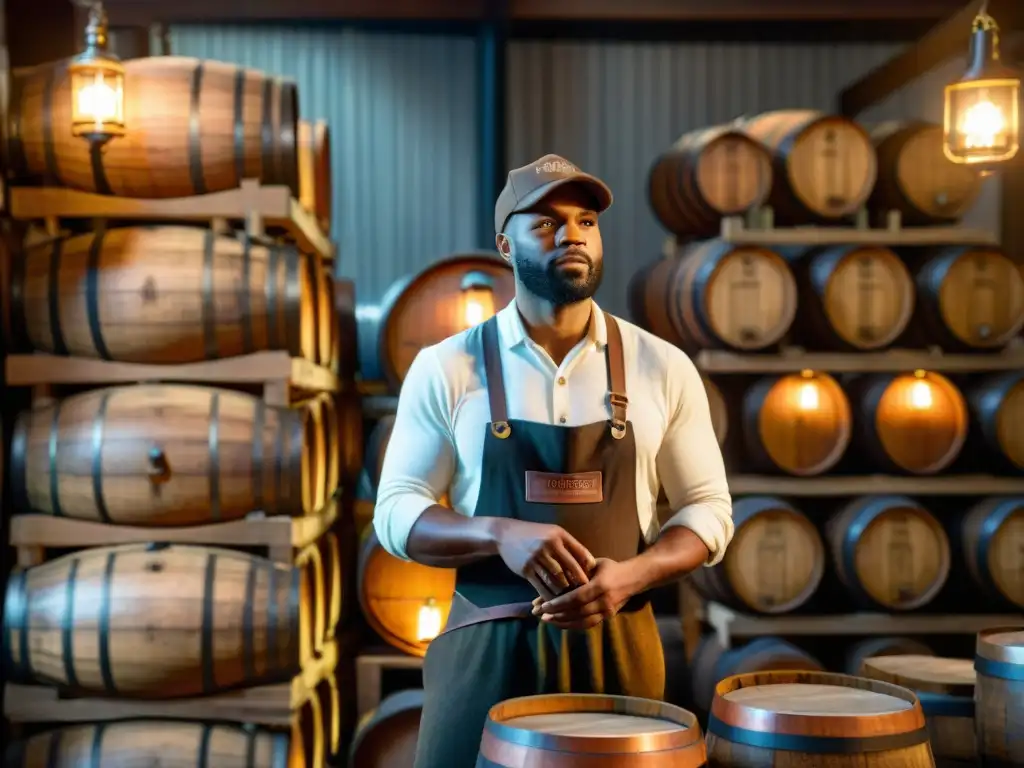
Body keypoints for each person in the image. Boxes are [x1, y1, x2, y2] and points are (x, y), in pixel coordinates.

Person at [373, 153, 733, 768]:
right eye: (544, 222)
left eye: (586, 221)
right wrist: (499, 533)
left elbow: (709, 511)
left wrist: (634, 575)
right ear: (504, 245)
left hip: (618, 647)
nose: (571, 234)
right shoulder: (448, 366)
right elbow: (396, 513)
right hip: (485, 653)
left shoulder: (661, 366)